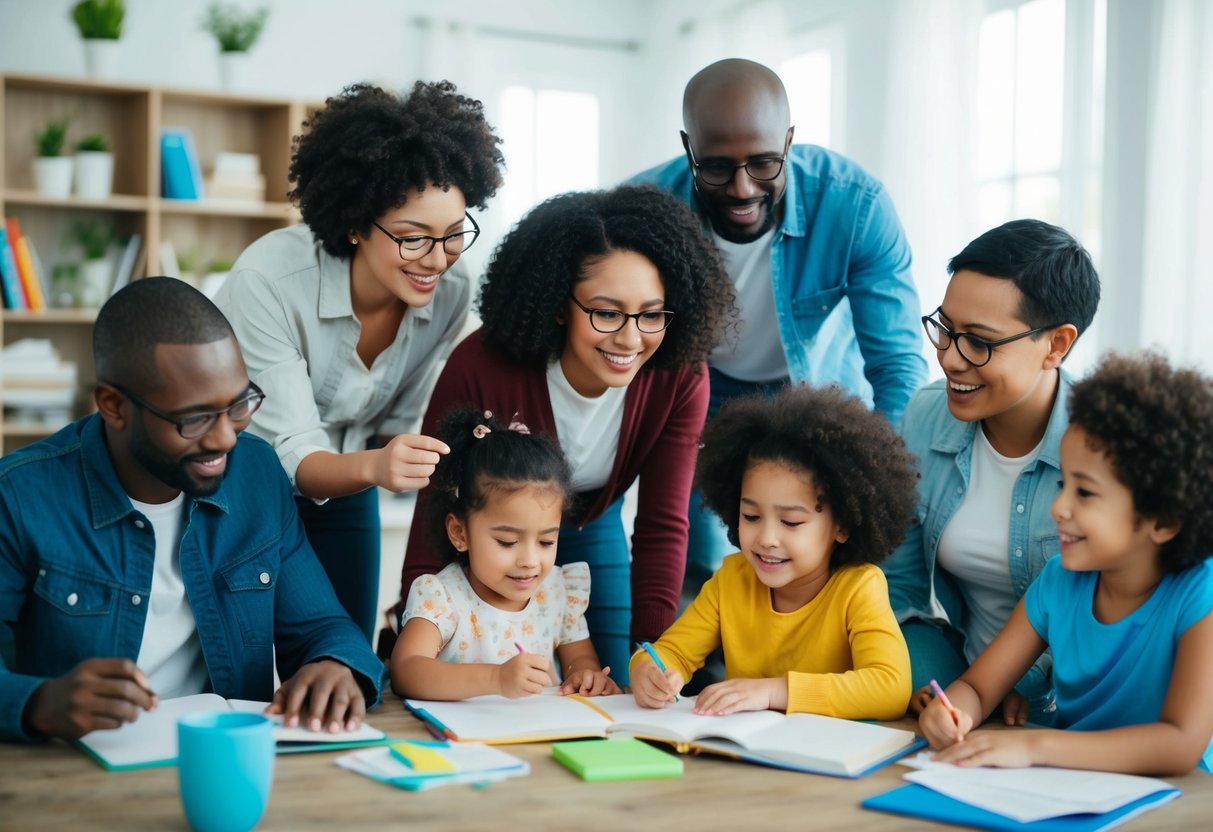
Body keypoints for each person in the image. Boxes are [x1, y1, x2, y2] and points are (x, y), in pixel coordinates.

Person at [0, 278, 384, 743]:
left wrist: (335, 664)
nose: (225, 438)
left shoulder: (257, 473)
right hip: (73, 774)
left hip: (223, 758)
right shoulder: (20, 496)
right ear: (114, 406)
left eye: (238, 404)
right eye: (195, 418)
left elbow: (322, 624)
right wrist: (41, 702)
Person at [630, 57, 927, 633]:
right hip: (696, 385)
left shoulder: (855, 204)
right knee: (689, 552)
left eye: (764, 163)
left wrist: (881, 484)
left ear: (790, 140)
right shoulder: (646, 209)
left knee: (812, 542)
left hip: (811, 390)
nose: (742, 189)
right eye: (715, 168)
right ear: (688, 148)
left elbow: (896, 365)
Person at [397, 185, 736, 685]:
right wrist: (417, 614)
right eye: (606, 312)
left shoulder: (680, 377)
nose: (629, 337)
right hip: (493, 531)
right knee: (478, 674)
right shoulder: (482, 366)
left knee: (609, 678)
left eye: (651, 313)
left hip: (595, 521)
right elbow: (438, 503)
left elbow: (663, 523)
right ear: (559, 304)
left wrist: (659, 658)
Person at [215, 81, 506, 644]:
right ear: (354, 224)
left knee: (347, 659)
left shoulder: (450, 288)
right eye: (412, 238)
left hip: (348, 485)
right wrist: (377, 467)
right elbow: (290, 450)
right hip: (244, 489)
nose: (436, 259)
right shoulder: (268, 282)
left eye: (452, 235)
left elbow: (398, 419)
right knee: (244, 665)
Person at [920, 352, 1213, 775]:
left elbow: (1179, 744)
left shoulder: (1198, 594)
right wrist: (954, 712)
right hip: (1070, 783)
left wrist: (1036, 746)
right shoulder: (1059, 581)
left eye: (1086, 493)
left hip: (1178, 800)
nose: (1059, 507)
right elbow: (978, 688)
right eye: (1064, 484)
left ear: (1163, 520)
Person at [881, 219, 1100, 723]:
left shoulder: (1108, 450)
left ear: (1057, 344)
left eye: (979, 342)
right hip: (960, 688)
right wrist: (928, 679)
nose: (950, 360)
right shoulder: (926, 416)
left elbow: (1108, 611)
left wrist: (1007, 684)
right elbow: (900, 587)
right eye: (945, 329)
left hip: (1067, 698)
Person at [630, 384, 917, 720]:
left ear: (842, 525)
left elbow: (891, 688)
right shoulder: (732, 580)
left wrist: (774, 691)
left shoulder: (859, 588)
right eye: (751, 516)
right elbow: (671, 652)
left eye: (791, 522)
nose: (766, 538)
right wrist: (649, 670)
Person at [390, 409, 619, 700]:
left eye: (546, 542)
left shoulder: (558, 593)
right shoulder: (442, 598)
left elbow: (581, 664)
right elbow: (407, 670)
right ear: (460, 533)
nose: (530, 561)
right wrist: (496, 677)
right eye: (508, 542)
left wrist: (586, 678)